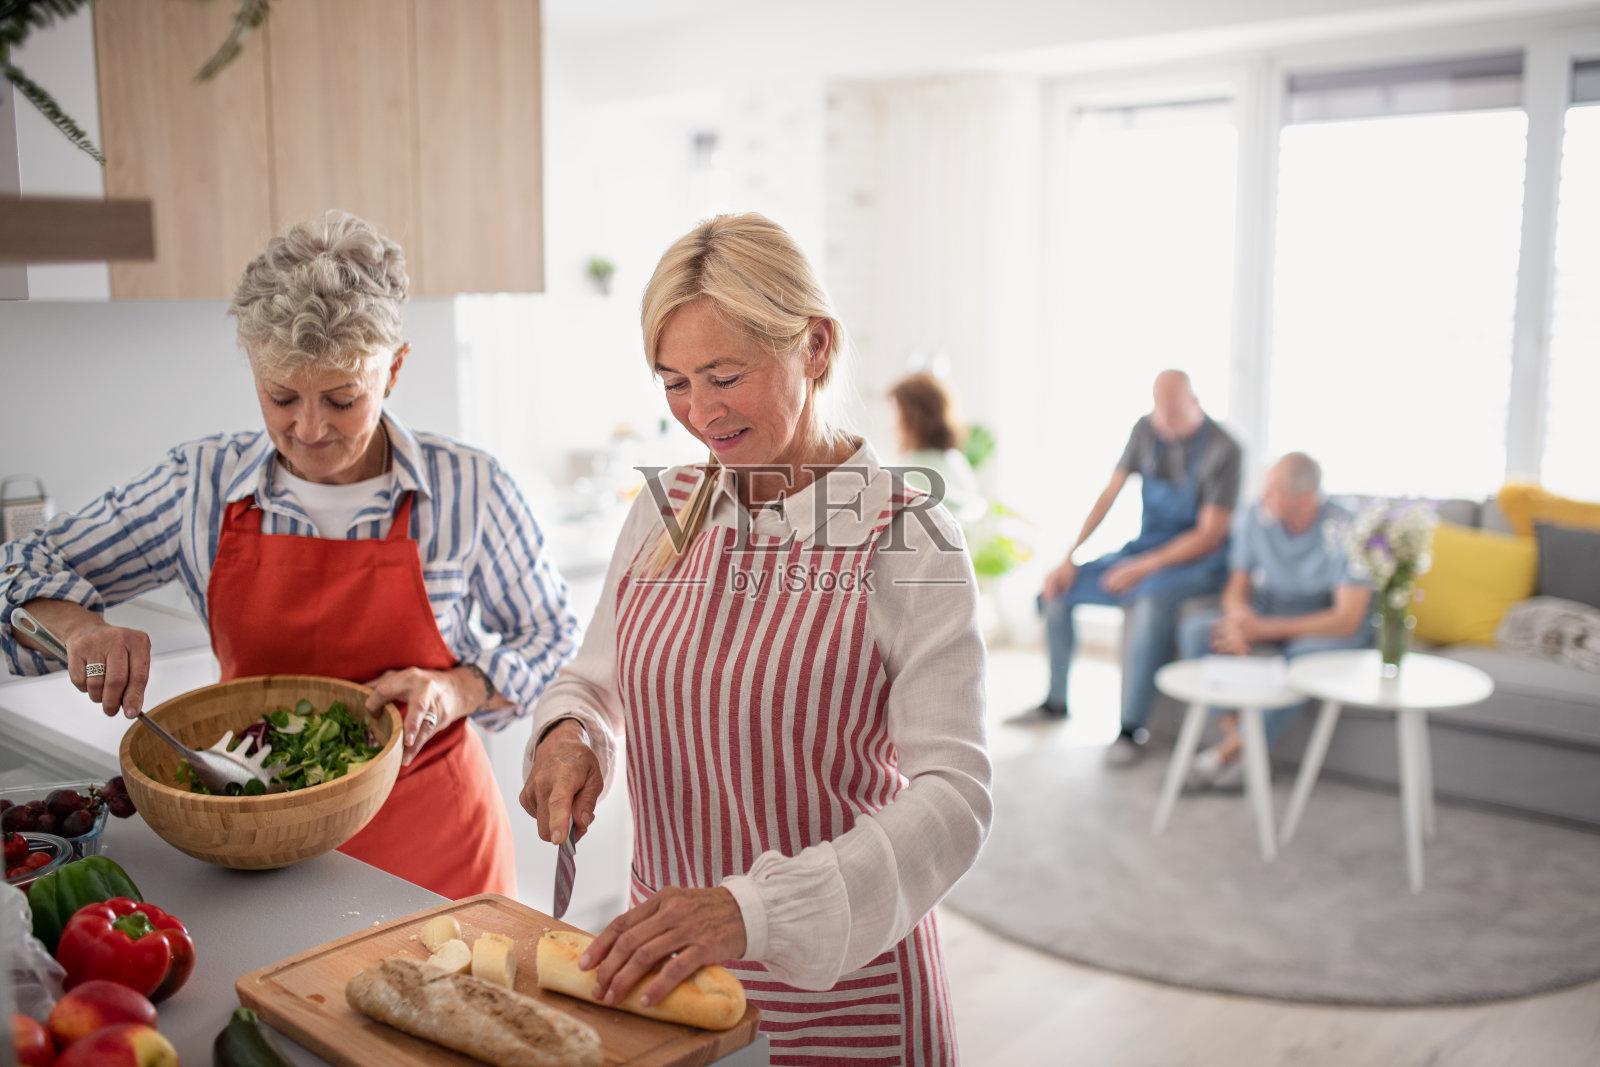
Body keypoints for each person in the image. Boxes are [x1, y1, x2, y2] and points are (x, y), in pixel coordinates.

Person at [520, 213, 990, 1065]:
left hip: (843, 997)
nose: (699, 413)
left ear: (814, 345)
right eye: (673, 382)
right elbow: (596, 678)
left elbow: (955, 798)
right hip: (663, 983)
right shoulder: (666, 509)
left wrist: (756, 910)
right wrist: (573, 732)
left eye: (724, 375)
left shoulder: (907, 536)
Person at [0, 211, 580, 899]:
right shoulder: (201, 483)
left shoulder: (470, 487)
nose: (309, 429)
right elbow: (18, 569)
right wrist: (80, 629)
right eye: (280, 396)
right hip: (255, 846)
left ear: (393, 369)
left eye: (342, 398)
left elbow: (551, 634)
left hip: (435, 844)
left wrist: (459, 687)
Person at [1027, 370, 1241, 767]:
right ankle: (1056, 701)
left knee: (1149, 599)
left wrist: (1143, 567)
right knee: (1057, 590)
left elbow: (1211, 534)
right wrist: (1069, 556)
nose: (1166, 422)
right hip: (1146, 548)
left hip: (1199, 561)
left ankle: (1131, 729)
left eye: (1175, 412)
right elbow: (1110, 492)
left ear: (1195, 404)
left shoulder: (1225, 448)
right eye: (1160, 411)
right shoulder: (1145, 430)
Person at [1177, 452, 1372, 790]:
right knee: (1199, 631)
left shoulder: (1347, 527)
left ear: (1306, 497)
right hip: (1271, 608)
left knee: (1305, 658)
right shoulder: (1255, 517)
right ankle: (1238, 742)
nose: (1262, 498)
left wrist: (1262, 630)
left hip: (1323, 619)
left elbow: (1345, 619)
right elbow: (1236, 586)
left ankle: (1225, 755)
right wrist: (1238, 620)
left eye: (1273, 491)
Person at [888, 372, 987, 526]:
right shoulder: (955, 460)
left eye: (896, 414)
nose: (893, 426)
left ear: (913, 419)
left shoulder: (910, 469)